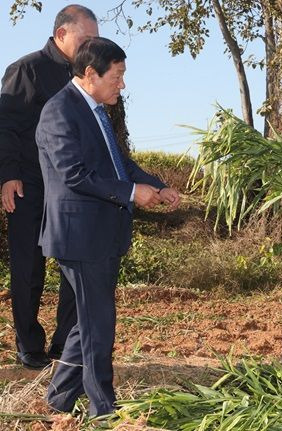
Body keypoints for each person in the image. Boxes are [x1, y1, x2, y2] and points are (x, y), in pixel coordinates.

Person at [36, 36, 181, 416]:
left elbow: (121, 165)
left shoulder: (99, 111)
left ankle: (59, 397)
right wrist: (133, 193)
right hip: (80, 235)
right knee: (99, 323)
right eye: (116, 76)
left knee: (88, 321)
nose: (122, 84)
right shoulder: (60, 111)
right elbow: (74, 173)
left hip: (101, 234)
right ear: (90, 74)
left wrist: (158, 185)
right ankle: (104, 409)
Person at [0, 4, 99, 370]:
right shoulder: (27, 69)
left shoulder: (86, 76)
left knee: (73, 266)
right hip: (29, 186)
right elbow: (7, 127)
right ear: (62, 34)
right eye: (86, 38)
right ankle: (29, 344)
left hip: (72, 190)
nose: (93, 44)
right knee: (28, 268)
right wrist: (8, 176)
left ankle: (63, 344)